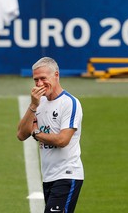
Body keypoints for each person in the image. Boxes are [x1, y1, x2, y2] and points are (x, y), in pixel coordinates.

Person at [17, 57, 84, 213]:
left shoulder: (69, 103)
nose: (39, 84)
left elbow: (62, 140)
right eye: (36, 80)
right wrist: (33, 105)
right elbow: (21, 134)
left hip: (67, 175)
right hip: (48, 177)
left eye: (43, 79)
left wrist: (36, 132)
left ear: (56, 75)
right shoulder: (39, 103)